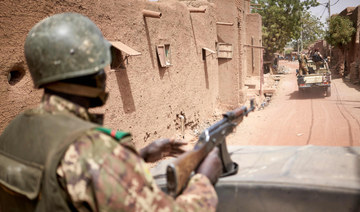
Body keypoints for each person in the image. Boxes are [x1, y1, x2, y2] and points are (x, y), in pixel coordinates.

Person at [0, 13, 222, 212]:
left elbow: (66, 180)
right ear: (91, 72)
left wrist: (138, 157)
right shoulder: (93, 150)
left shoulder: (13, 131)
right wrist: (204, 180)